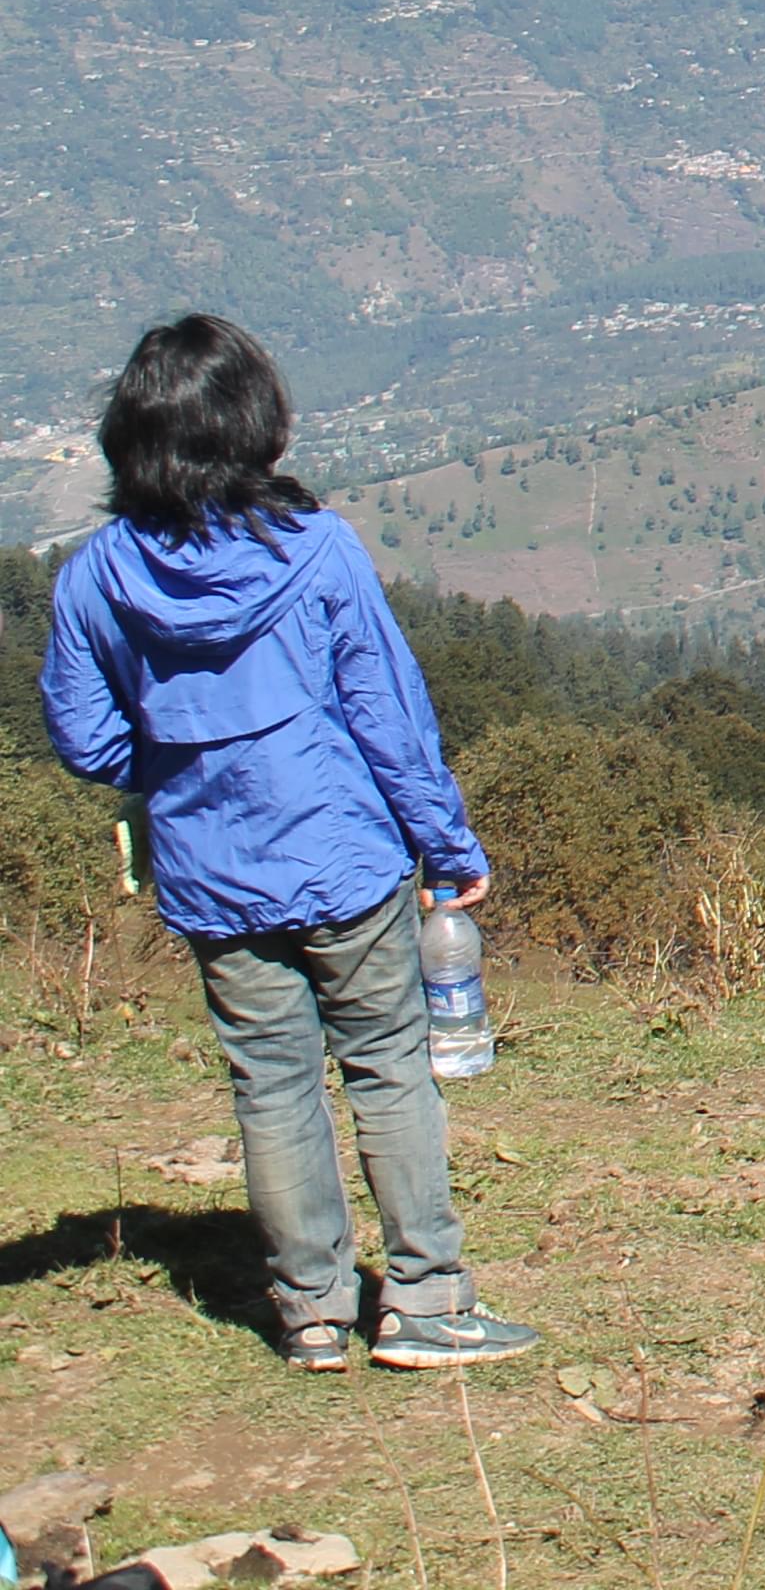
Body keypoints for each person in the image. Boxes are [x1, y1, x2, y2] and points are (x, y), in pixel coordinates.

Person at [34, 314, 542, 1375]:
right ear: (254, 428)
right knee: (391, 1069)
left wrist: (176, 756)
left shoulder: (95, 576)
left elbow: (84, 736)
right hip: (341, 855)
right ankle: (425, 1302)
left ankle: (311, 1313)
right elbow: (387, 716)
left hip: (211, 871)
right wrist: (447, 843)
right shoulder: (315, 552)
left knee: (270, 1083)